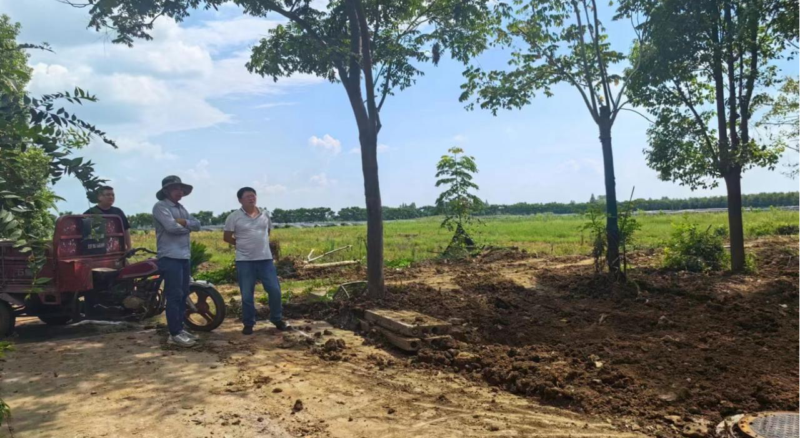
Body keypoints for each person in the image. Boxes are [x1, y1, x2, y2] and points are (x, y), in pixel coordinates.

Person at [223, 187, 290, 335]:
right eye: (247, 196)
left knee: (275, 290)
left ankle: (277, 318)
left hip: (265, 259)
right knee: (247, 294)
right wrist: (241, 245)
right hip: (245, 261)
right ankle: (248, 323)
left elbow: (267, 232)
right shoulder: (233, 217)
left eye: (253, 196)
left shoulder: (265, 214)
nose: (251, 198)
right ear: (240, 200)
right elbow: (227, 237)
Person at [152, 175, 201, 347]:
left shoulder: (181, 209)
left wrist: (184, 222)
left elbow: (198, 224)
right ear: (166, 191)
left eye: (180, 189)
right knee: (174, 295)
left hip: (184, 256)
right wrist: (188, 226)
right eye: (175, 188)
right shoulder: (160, 207)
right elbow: (171, 228)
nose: (179, 191)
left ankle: (180, 328)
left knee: (183, 293)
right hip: (170, 256)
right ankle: (174, 333)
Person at [84, 186, 132, 250]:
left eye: (113, 195)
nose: (111, 197)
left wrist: (129, 247)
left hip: (117, 251)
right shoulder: (90, 213)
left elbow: (126, 230)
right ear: (99, 197)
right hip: (96, 251)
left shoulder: (118, 212)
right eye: (108, 195)